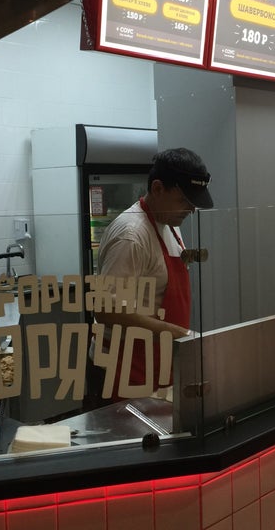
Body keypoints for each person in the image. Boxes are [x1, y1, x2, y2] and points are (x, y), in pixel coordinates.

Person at [89, 147, 213, 401]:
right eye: (184, 201)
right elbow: (105, 309)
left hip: (155, 360)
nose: (191, 210)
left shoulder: (169, 224)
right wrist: (174, 332)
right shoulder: (132, 235)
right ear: (158, 188)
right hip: (123, 365)